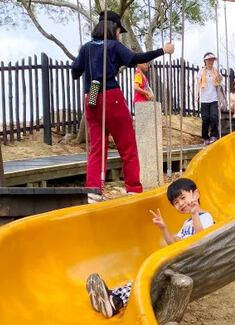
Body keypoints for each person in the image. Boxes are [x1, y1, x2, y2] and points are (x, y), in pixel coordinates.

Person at [72, 10, 174, 197]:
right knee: (127, 146)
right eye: (119, 30)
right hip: (111, 96)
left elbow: (75, 72)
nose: (119, 34)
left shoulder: (87, 48)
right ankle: (133, 189)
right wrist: (162, 51)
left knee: (97, 147)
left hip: (91, 97)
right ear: (114, 28)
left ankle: (93, 190)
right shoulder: (113, 46)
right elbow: (135, 59)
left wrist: (82, 56)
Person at [85, 178, 214, 318]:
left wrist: (194, 214)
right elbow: (175, 242)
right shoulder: (187, 223)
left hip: (189, 264)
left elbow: (201, 240)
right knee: (145, 275)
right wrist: (163, 228)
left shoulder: (205, 217)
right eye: (176, 202)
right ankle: (112, 296)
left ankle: (116, 301)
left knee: (150, 277)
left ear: (196, 194)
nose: (181, 204)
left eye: (183, 198)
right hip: (179, 261)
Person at [195, 52, 221, 144]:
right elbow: (198, 83)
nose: (210, 62)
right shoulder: (201, 71)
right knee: (205, 118)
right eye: (209, 60)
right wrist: (197, 94)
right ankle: (205, 136)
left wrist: (219, 79)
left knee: (213, 116)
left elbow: (218, 82)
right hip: (204, 98)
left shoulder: (215, 71)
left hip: (213, 97)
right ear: (205, 61)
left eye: (212, 60)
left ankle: (214, 135)